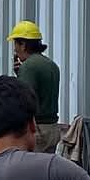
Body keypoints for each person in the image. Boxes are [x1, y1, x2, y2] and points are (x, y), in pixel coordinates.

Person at [8, 21, 61, 152]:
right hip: (52, 128)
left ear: (23, 45)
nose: (15, 49)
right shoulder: (51, 65)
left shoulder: (29, 67)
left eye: (16, 43)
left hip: (37, 129)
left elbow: (25, 101)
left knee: (30, 170)